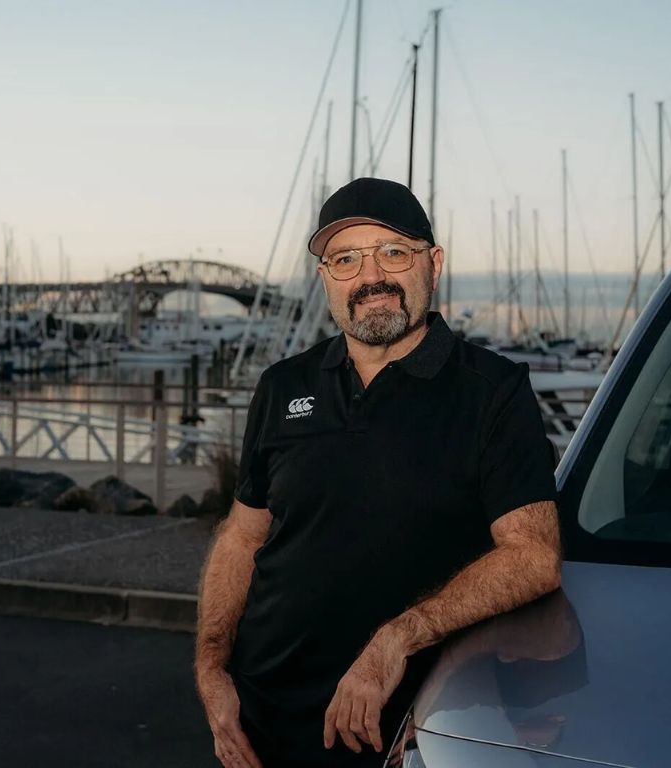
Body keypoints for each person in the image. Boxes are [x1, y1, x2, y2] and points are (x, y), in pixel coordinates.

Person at [194, 177, 561, 768]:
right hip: (260, 719)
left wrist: (397, 639)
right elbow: (243, 535)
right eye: (346, 259)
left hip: (405, 725)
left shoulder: (493, 393)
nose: (370, 277)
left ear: (433, 264)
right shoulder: (283, 385)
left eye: (394, 252)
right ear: (326, 280)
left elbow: (533, 557)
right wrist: (213, 669)